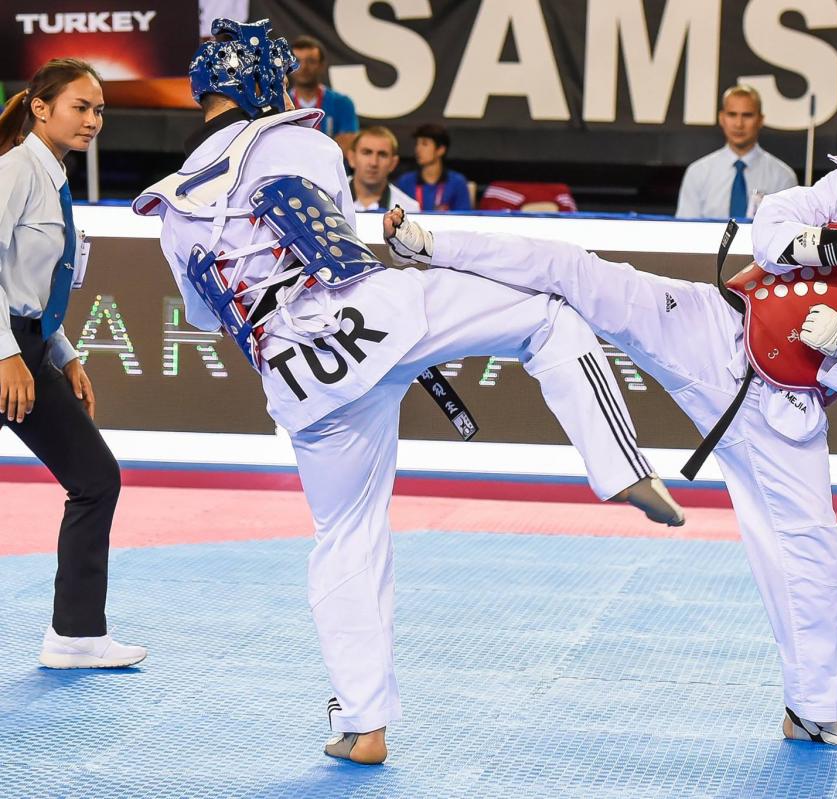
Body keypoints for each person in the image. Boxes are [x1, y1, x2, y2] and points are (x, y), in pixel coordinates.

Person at [135, 18, 684, 765]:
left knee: (345, 540)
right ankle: (624, 468)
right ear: (264, 83)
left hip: (294, 377)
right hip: (370, 319)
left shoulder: (166, 205)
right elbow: (340, 243)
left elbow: (207, 313)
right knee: (546, 319)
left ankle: (363, 724)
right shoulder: (300, 140)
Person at [393, 86, 837, 749]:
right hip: (714, 329)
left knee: (819, 567)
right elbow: (773, 224)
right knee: (578, 272)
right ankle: (432, 244)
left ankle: (813, 713)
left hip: (785, 416)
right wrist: (813, 246)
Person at [0, 59, 146, 669]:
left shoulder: (51, 176)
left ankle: (77, 636)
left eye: (100, 110)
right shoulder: (13, 170)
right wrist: (6, 354)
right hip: (5, 352)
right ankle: (77, 635)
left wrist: (65, 354)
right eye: (81, 107)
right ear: (40, 107)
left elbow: (33, 284)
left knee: (94, 479)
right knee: (96, 479)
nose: (94, 120)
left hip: (29, 350)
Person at [675, 85, 798, 220]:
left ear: (760, 120)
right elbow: (685, 230)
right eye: (732, 114)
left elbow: (787, 233)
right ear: (722, 118)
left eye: (747, 115)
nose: (739, 124)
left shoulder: (782, 177)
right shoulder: (698, 172)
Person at [287, 34, 359, 160]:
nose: (303, 67)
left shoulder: (342, 103)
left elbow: (347, 148)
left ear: (321, 65)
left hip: (331, 176)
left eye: (311, 61)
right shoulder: (280, 103)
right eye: (297, 61)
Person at [397, 123, 472, 211]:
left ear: (440, 150)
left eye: (424, 144)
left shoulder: (457, 182)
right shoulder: (405, 182)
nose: (418, 149)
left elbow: (464, 219)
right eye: (417, 144)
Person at [347, 126, 418, 213]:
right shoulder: (329, 199)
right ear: (352, 158)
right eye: (367, 153)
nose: (373, 163)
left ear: (393, 163)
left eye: (382, 155)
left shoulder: (409, 209)